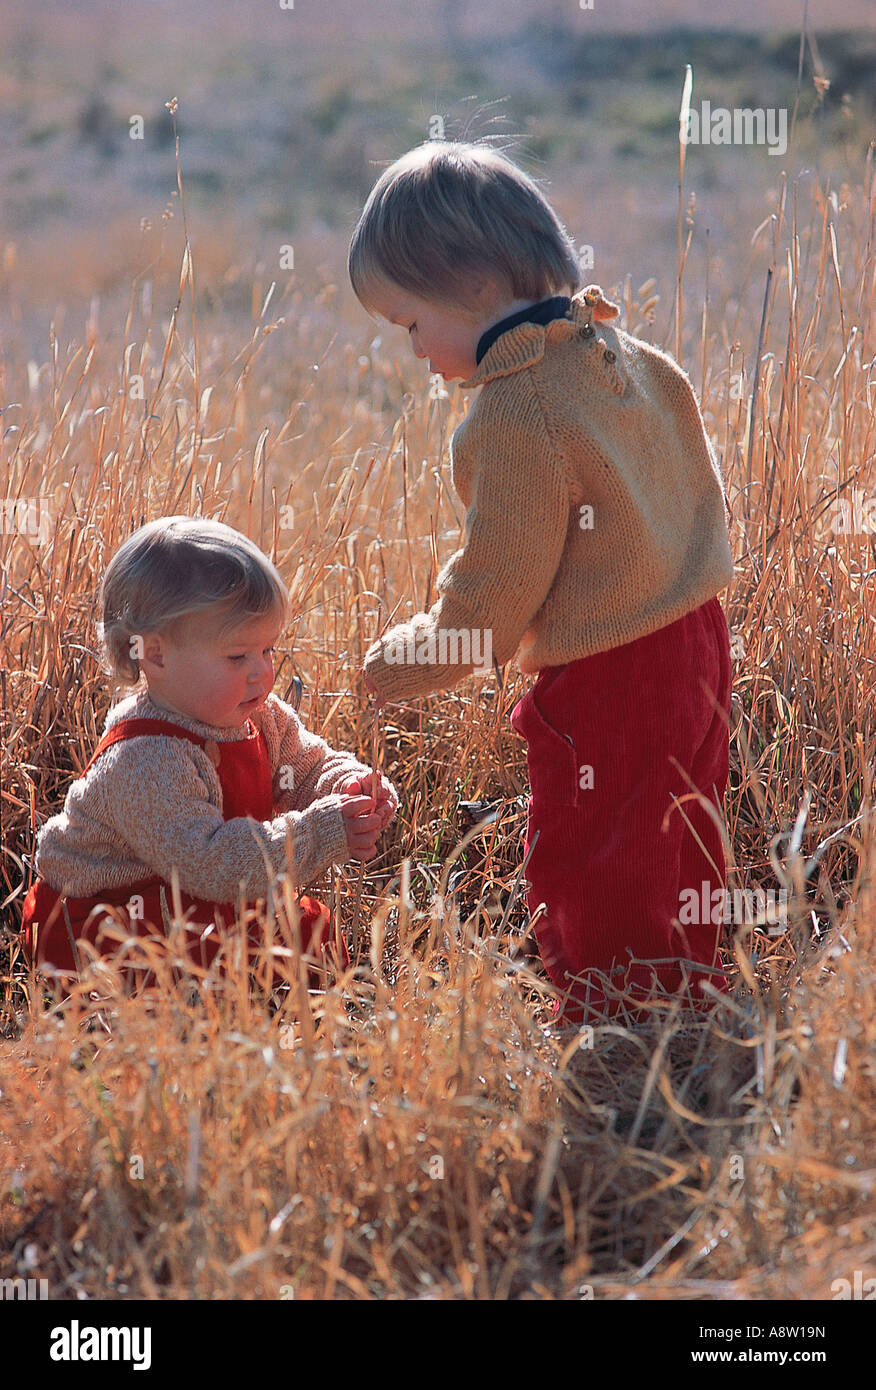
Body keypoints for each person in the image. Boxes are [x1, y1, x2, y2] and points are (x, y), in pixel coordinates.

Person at [348, 140, 735, 1024]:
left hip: (611, 673)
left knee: (591, 852)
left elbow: (487, 609)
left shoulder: (513, 413)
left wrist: (395, 666)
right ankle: (684, 1006)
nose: (412, 351)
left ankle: (610, 1026)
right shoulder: (624, 356)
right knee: (680, 831)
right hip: (698, 637)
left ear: (474, 289)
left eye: (410, 323)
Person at [20, 516, 398, 994]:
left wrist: (346, 787)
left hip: (201, 897)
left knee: (307, 939)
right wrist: (323, 830)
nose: (262, 672)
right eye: (237, 657)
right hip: (116, 919)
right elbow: (215, 864)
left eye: (268, 649)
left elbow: (306, 767)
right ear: (156, 657)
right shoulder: (145, 762)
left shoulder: (258, 717)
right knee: (209, 962)